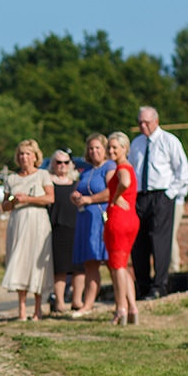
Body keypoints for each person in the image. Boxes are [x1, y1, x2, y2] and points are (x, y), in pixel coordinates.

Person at [129, 106, 188, 299]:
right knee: (139, 241)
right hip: (140, 196)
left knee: (160, 240)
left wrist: (169, 194)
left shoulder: (169, 141)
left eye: (146, 122)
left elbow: (182, 171)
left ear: (156, 121)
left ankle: (159, 285)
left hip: (161, 194)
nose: (143, 126)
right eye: (140, 123)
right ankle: (143, 285)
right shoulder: (136, 144)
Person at [1, 139, 54, 321]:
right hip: (18, 222)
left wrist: (28, 199)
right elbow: (4, 206)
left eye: (28, 154)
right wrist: (14, 201)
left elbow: (49, 198)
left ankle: (38, 309)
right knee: (20, 261)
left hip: (37, 222)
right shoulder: (12, 179)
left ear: (35, 156)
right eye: (21, 154)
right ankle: (22, 309)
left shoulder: (43, 175)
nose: (24, 157)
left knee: (36, 263)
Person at [70, 134, 115, 316]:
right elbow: (78, 190)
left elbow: (111, 191)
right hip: (86, 220)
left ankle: (122, 301)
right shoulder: (87, 171)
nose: (94, 151)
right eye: (91, 148)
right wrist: (75, 197)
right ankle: (88, 304)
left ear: (104, 149)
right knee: (90, 264)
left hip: (102, 219)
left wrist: (89, 199)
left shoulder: (110, 167)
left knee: (112, 262)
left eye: (97, 148)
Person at [105, 132, 140, 325]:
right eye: (109, 147)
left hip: (119, 218)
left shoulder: (122, 168)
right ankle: (132, 307)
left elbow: (124, 181)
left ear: (125, 149)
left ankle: (121, 308)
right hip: (131, 219)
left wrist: (117, 196)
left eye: (115, 147)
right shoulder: (128, 167)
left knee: (117, 266)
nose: (111, 150)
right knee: (123, 265)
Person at [47, 150, 80, 313]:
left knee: (79, 267)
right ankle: (59, 301)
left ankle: (77, 300)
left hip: (75, 226)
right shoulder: (48, 182)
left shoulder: (76, 182)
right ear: (53, 164)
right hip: (57, 227)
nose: (62, 166)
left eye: (66, 162)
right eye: (59, 162)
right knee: (60, 267)